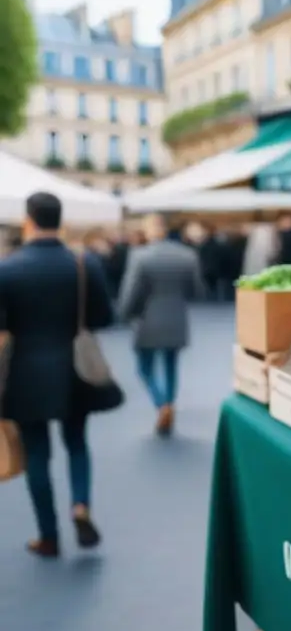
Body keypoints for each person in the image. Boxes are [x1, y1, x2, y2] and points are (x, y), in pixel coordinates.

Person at [0, 192, 114, 558]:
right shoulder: (83, 263)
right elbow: (104, 318)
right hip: (74, 369)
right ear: (60, 221)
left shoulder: (7, 268)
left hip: (25, 371)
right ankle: (80, 505)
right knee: (77, 443)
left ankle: (47, 536)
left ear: (28, 220)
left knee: (37, 454)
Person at [118, 214, 204, 436]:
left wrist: (124, 314)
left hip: (147, 318)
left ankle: (161, 404)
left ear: (148, 231)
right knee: (171, 364)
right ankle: (170, 402)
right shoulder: (187, 255)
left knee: (144, 367)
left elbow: (131, 291)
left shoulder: (139, 256)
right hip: (176, 317)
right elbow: (196, 290)